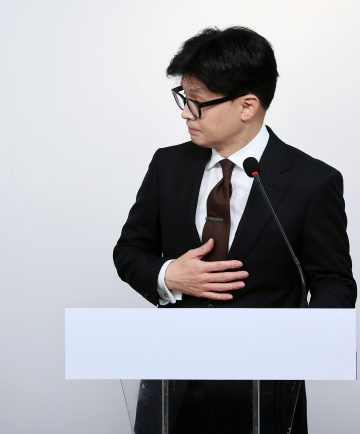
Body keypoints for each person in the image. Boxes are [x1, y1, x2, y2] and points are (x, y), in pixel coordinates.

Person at [113, 26, 356, 433]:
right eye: (183, 98)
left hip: (265, 396)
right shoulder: (167, 165)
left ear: (247, 106)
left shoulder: (313, 182)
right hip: (171, 389)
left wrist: (304, 342)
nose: (186, 112)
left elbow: (334, 281)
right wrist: (168, 275)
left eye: (198, 102)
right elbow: (129, 251)